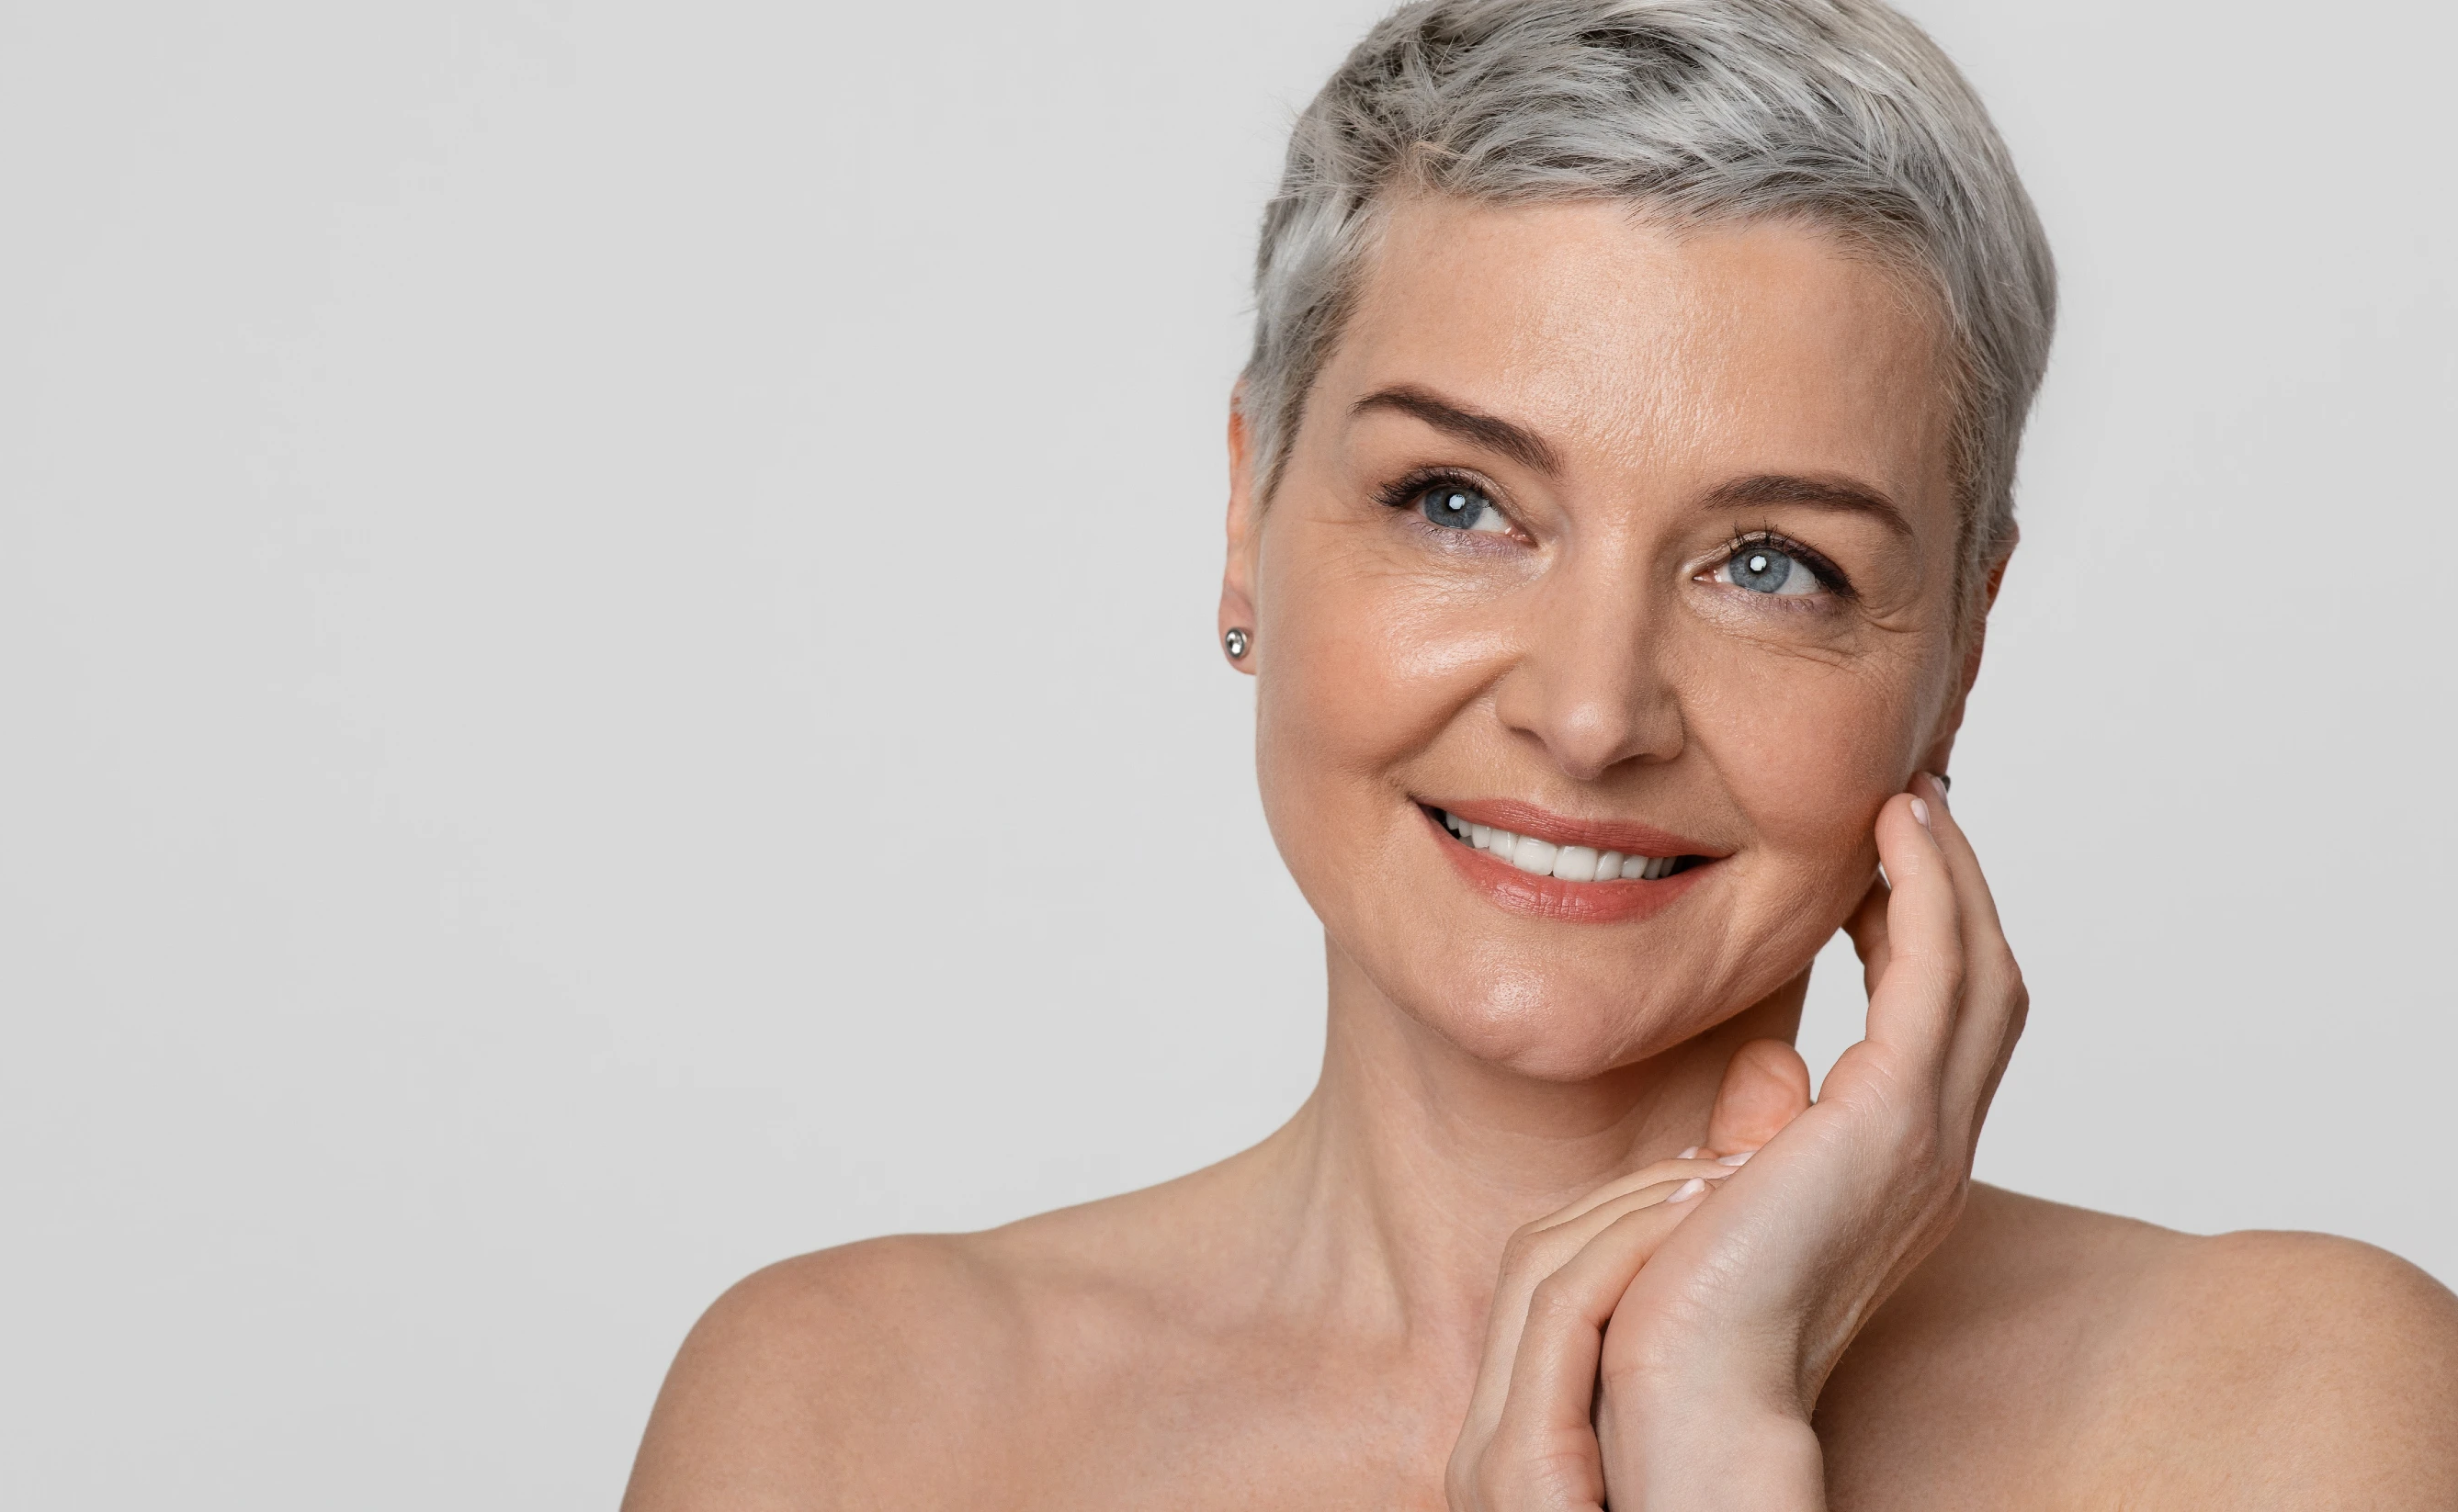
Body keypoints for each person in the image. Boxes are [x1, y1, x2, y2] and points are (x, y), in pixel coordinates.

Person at [618, 1, 2458, 1506]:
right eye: (1459, 501)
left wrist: (1720, 1440)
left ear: (1961, 643)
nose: (1588, 714)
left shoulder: (2286, 1416)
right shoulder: (848, 1426)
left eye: (1771, 563)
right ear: (1249, 513)